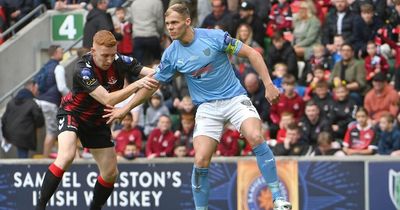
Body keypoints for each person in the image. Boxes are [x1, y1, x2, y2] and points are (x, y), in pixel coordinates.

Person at [103, 4, 292, 209]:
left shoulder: (215, 37)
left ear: (187, 21)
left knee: (255, 136)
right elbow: (151, 86)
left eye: (174, 23)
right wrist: (125, 108)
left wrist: (268, 84)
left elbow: (252, 54)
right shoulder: (171, 55)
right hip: (206, 107)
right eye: (167, 24)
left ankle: (278, 198)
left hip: (234, 98)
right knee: (201, 160)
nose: (170, 28)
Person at [35, 30, 158, 210]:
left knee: (110, 174)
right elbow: (108, 99)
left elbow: (154, 75)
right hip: (73, 113)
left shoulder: (120, 61)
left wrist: (172, 69)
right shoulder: (83, 69)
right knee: (67, 156)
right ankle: (40, 206)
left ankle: (95, 208)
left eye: (112, 54)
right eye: (104, 56)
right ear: (93, 51)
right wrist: (136, 85)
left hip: (98, 120)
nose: (109, 60)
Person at [36, 45, 71, 158]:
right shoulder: (58, 68)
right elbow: (61, 88)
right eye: (61, 51)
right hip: (50, 103)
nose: (63, 53)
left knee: (51, 130)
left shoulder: (45, 67)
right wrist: (71, 97)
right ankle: (45, 160)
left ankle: (49, 156)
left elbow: (36, 86)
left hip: (41, 101)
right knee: (52, 132)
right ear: (55, 53)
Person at [1, 80, 44, 158]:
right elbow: (40, 121)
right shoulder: (33, 103)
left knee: (21, 153)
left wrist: (5, 135)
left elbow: (4, 119)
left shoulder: (11, 102)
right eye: (36, 89)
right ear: (32, 88)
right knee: (23, 157)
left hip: (11, 133)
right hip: (25, 134)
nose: (37, 91)